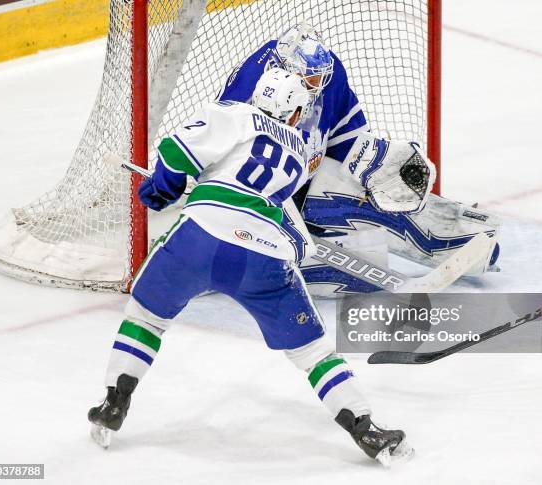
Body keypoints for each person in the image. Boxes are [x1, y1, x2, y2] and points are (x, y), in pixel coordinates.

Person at [88, 68, 413, 466]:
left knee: (146, 318)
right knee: (313, 352)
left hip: (200, 238)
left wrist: (164, 187)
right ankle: (365, 428)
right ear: (293, 113)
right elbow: (281, 219)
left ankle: (114, 402)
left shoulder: (233, 114)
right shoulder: (296, 150)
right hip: (264, 254)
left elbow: (176, 152)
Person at [217, 22, 499, 295]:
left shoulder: (327, 75)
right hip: (257, 204)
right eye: (310, 81)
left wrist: (376, 163)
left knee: (358, 192)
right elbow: (230, 175)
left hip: (307, 183)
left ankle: (453, 235)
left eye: (319, 79)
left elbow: (346, 135)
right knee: (304, 267)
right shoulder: (247, 94)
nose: (316, 86)